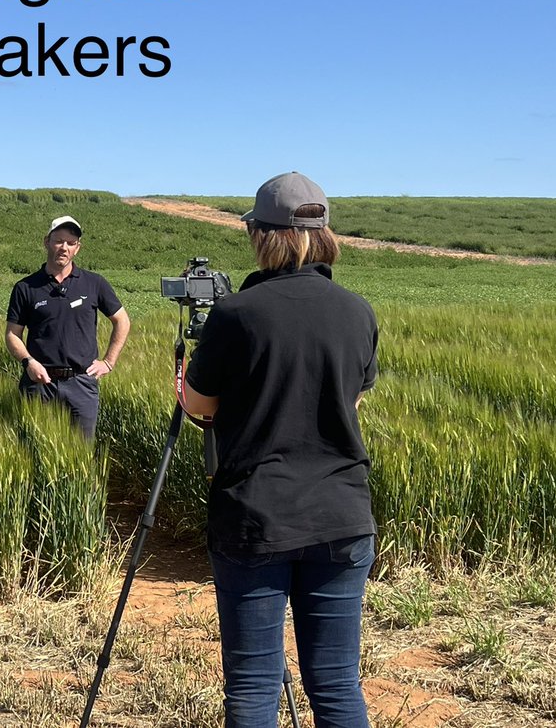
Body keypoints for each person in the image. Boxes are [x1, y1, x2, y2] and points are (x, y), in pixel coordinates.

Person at [181, 172, 379, 728]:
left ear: (263, 236)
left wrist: (184, 372)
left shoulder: (237, 313)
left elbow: (199, 407)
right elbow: (351, 403)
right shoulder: (357, 311)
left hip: (256, 519)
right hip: (342, 517)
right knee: (338, 682)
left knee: (252, 685)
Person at [5, 215, 130, 440]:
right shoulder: (25, 287)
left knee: (81, 455)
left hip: (81, 384)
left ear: (77, 248)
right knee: (33, 450)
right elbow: (12, 334)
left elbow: (122, 320)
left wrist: (109, 362)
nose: (64, 247)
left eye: (71, 243)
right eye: (59, 241)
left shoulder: (94, 283)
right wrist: (29, 362)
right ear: (47, 242)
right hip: (39, 383)